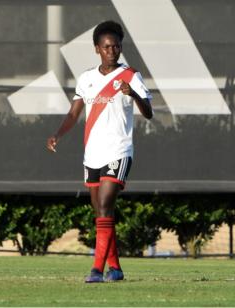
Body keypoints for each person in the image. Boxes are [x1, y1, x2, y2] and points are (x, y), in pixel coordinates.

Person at [46, 20, 152, 283]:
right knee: (100, 213)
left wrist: (135, 96)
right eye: (107, 47)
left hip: (119, 150)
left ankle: (96, 270)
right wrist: (58, 134)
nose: (112, 51)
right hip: (92, 153)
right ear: (97, 49)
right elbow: (74, 113)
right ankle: (115, 268)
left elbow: (148, 113)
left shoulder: (130, 75)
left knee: (105, 205)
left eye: (116, 46)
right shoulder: (87, 78)